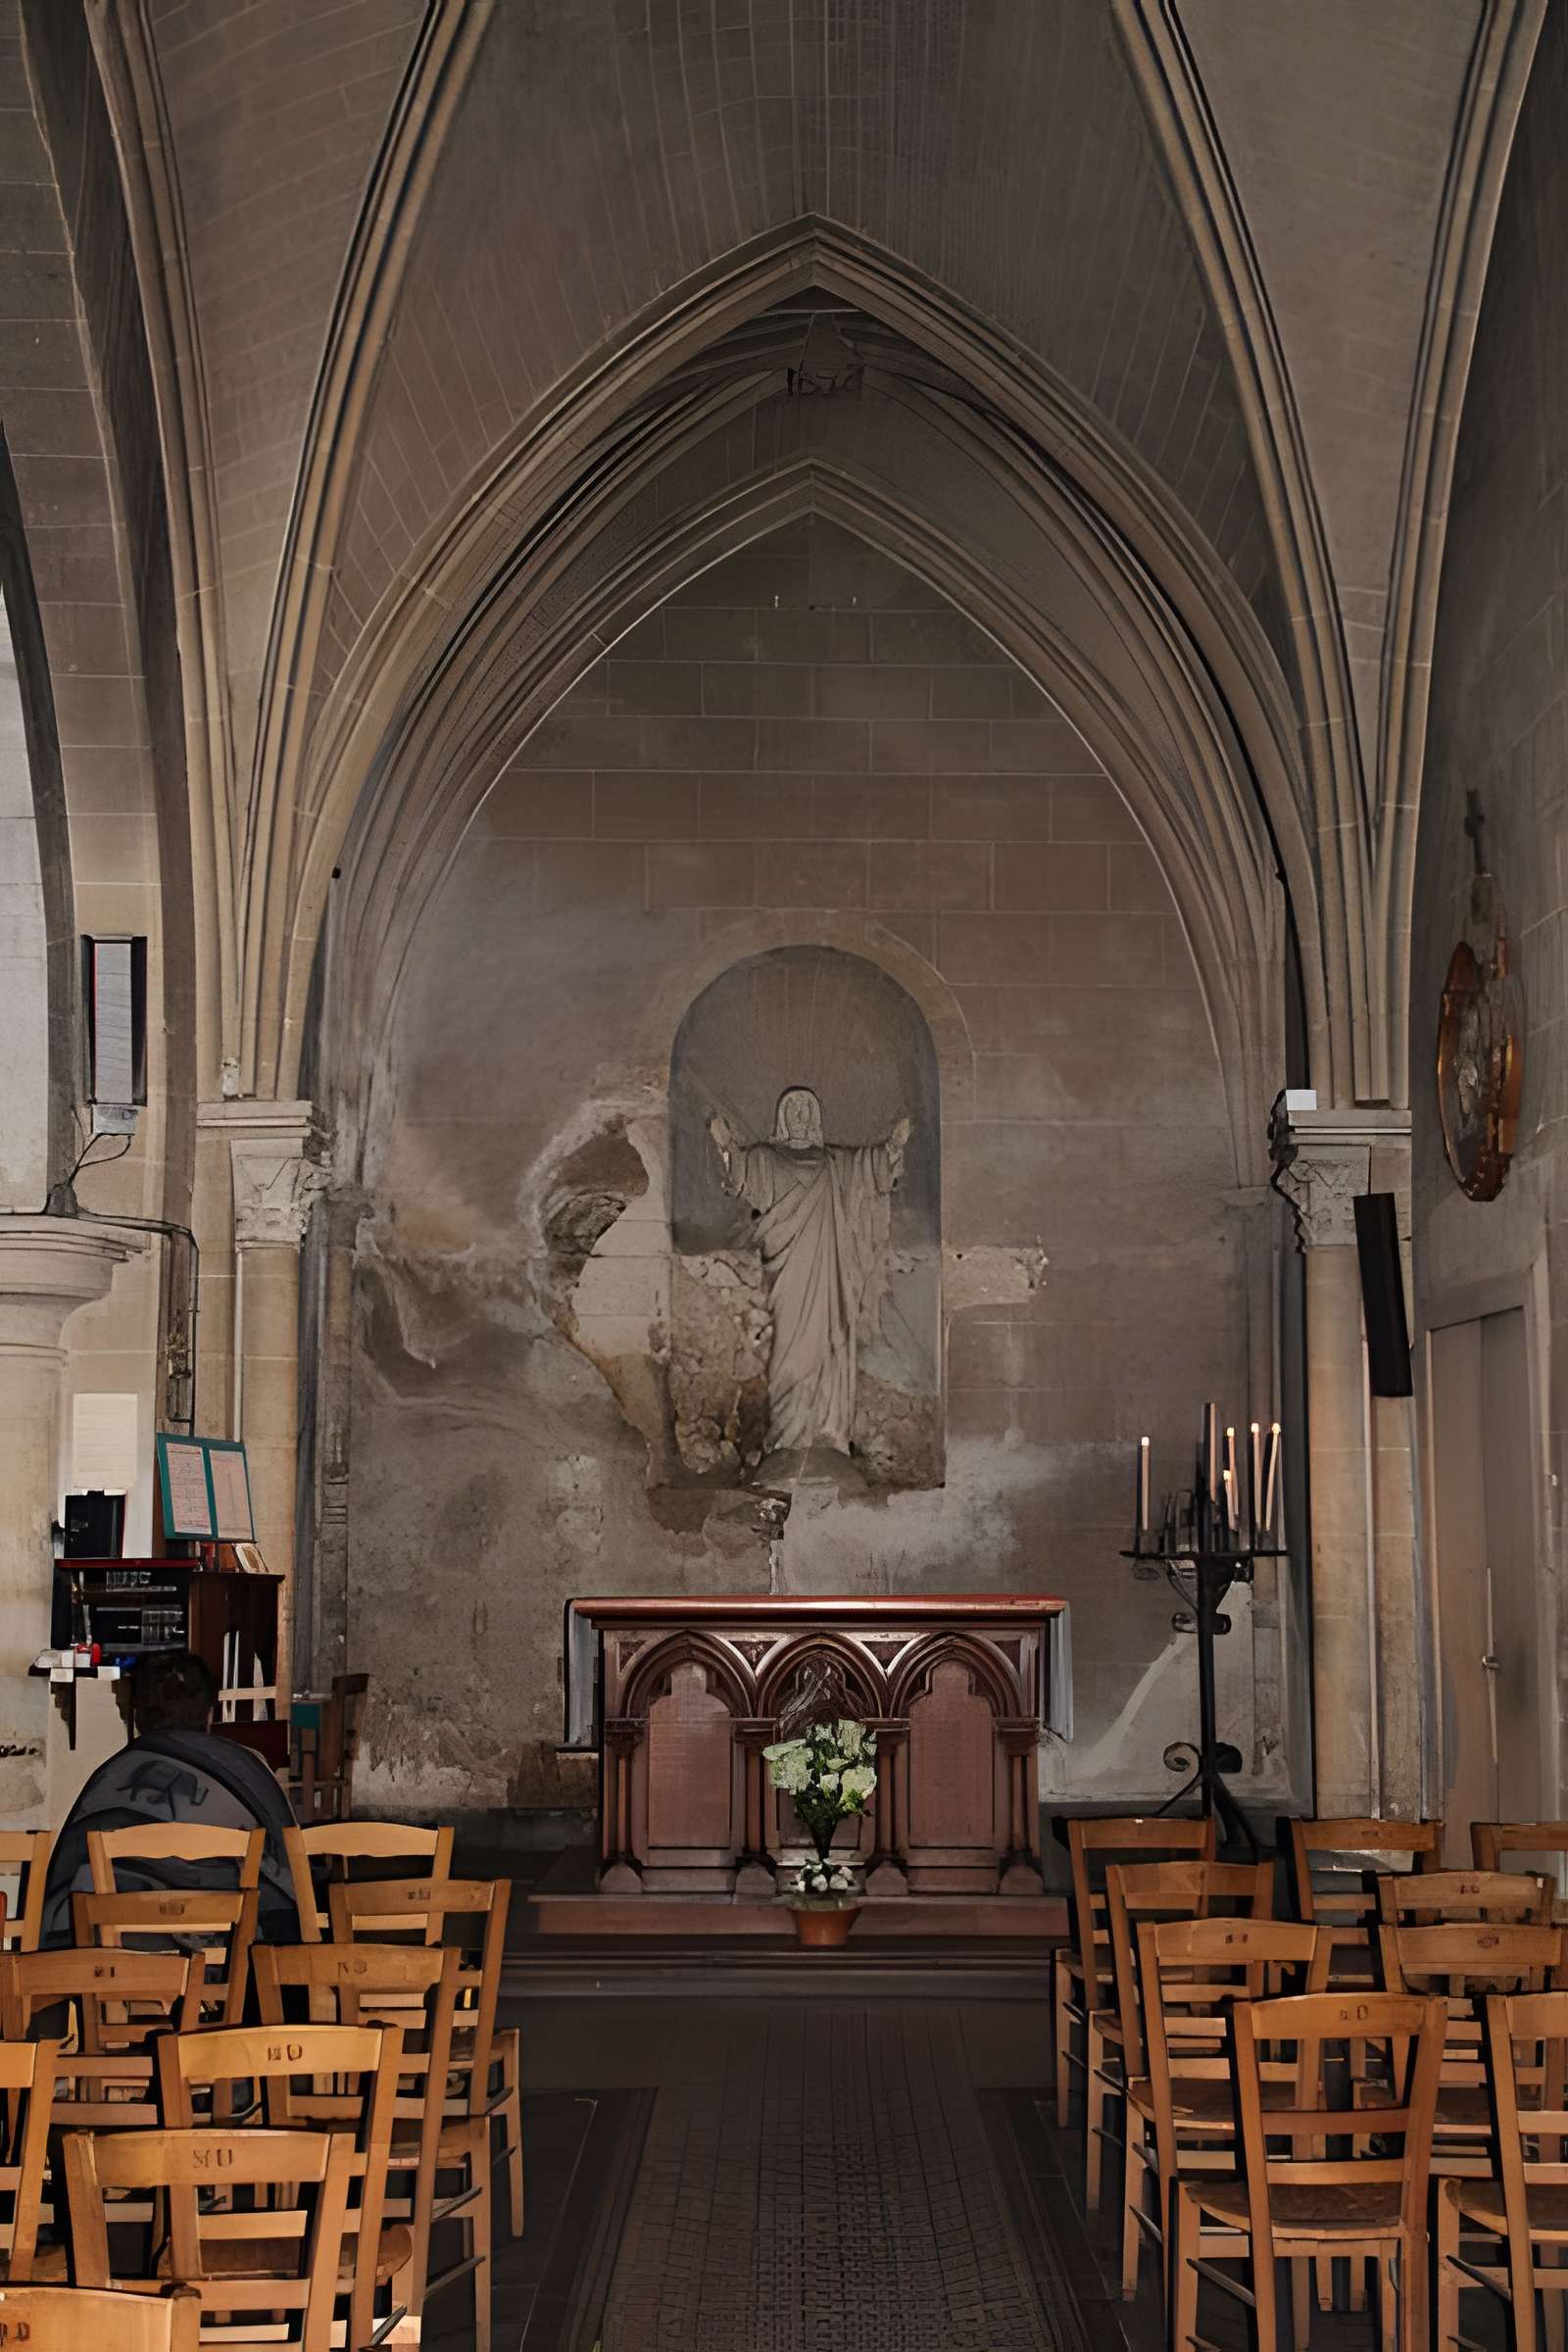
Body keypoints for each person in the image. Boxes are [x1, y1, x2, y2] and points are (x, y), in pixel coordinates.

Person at [39, 1648, 300, 1945]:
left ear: (136, 1715)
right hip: (228, 1957)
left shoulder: (112, 1777)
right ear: (209, 1711)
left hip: (120, 1960)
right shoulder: (249, 1769)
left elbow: (65, 1889)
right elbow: (290, 1869)